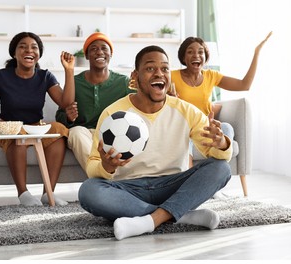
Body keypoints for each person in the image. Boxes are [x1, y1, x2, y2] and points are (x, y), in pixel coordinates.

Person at [78, 45, 233, 240]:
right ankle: (180, 215)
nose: (159, 73)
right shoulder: (113, 113)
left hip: (173, 184)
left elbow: (218, 156)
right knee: (88, 191)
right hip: (129, 189)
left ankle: (151, 220)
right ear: (135, 76)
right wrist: (106, 167)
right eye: (150, 68)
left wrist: (221, 144)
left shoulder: (187, 110)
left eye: (165, 68)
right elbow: (92, 166)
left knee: (221, 169)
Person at [0, 32, 75, 206]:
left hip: (35, 127)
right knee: (18, 132)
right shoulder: (1, 77)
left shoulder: (45, 77)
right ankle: (23, 193)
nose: (29, 50)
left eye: (34, 47)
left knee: (59, 131)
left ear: (38, 54)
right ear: (14, 53)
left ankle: (48, 192)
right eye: (22, 46)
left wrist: (69, 71)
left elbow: (66, 102)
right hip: (7, 128)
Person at [171, 32, 272, 166]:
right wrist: (169, 98)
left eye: (200, 52)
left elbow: (244, 85)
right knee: (186, 140)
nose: (196, 55)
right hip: (184, 129)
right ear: (183, 57)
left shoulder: (211, 76)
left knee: (227, 127)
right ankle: (192, 175)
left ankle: (218, 165)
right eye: (190, 52)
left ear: (205, 57)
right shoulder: (171, 76)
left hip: (205, 128)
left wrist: (257, 52)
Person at [56, 32, 132, 171]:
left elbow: (141, 103)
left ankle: (103, 176)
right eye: (94, 49)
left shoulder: (123, 82)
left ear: (111, 54)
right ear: (86, 56)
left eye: (104, 48)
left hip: (114, 134)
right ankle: (100, 173)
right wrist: (68, 116)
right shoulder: (75, 82)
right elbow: (60, 115)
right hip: (84, 134)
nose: (99, 52)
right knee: (76, 132)